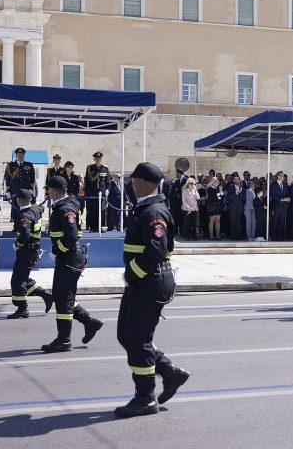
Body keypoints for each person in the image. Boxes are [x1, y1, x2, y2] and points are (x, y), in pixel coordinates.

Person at [113, 162, 191, 419]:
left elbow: (156, 250)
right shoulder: (147, 206)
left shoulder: (153, 211)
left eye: (134, 180)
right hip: (142, 281)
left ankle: (146, 397)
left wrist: (132, 272)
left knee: (137, 339)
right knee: (126, 335)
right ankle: (169, 372)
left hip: (148, 281)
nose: (131, 184)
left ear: (143, 182)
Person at [41, 174, 104, 353]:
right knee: (62, 297)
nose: (48, 193)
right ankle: (89, 322)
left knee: (63, 299)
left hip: (69, 258)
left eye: (49, 190)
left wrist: (57, 250)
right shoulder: (68, 204)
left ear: (54, 190)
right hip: (68, 258)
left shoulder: (65, 208)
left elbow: (70, 236)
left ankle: (64, 340)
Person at [6, 188, 53, 319]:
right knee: (22, 278)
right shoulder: (36, 209)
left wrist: (17, 244)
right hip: (33, 249)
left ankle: (23, 308)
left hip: (26, 250)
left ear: (18, 200)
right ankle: (45, 295)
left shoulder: (24, 215)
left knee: (17, 280)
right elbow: (41, 209)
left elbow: (25, 234)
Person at [85, 152, 108, 233]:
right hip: (92, 193)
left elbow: (107, 181)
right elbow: (87, 180)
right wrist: (87, 193)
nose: (98, 160)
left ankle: (100, 226)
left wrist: (107, 189)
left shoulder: (105, 168)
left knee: (101, 211)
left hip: (101, 193)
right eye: (97, 158)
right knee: (92, 210)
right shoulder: (90, 168)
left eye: (99, 158)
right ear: (94, 159)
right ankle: (92, 227)